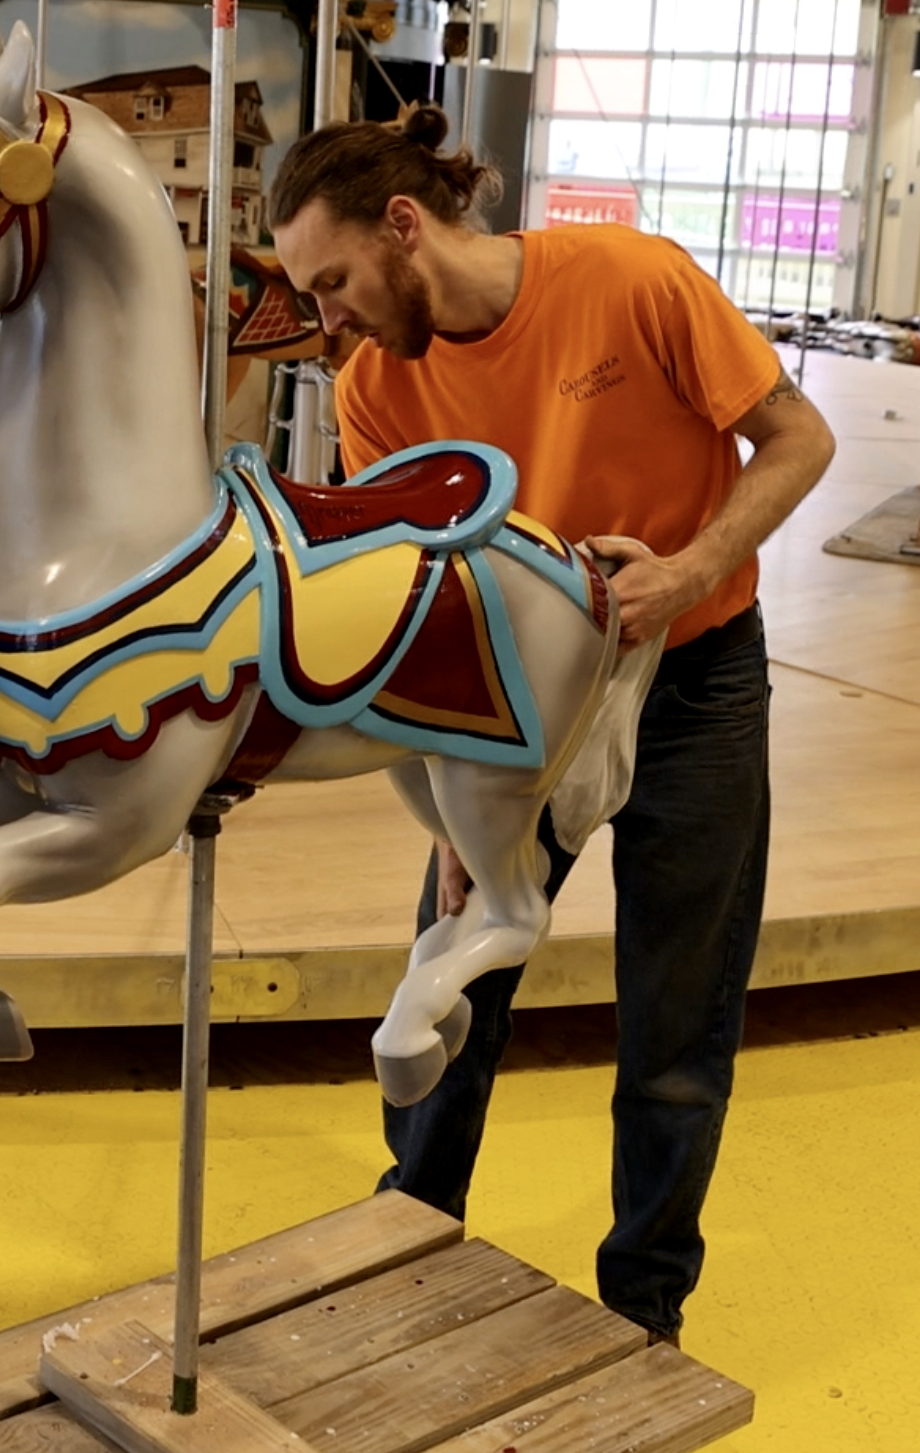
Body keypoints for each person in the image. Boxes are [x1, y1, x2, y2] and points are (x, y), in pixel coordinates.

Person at [267, 106, 836, 1346]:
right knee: (453, 981)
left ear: (403, 227)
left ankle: (643, 1310)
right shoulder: (374, 389)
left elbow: (799, 437)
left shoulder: (632, 280)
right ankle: (407, 1246)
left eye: (334, 281)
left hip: (695, 678)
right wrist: (444, 800)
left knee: (678, 1016)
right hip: (515, 710)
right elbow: (420, 601)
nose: (327, 321)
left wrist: (688, 570)